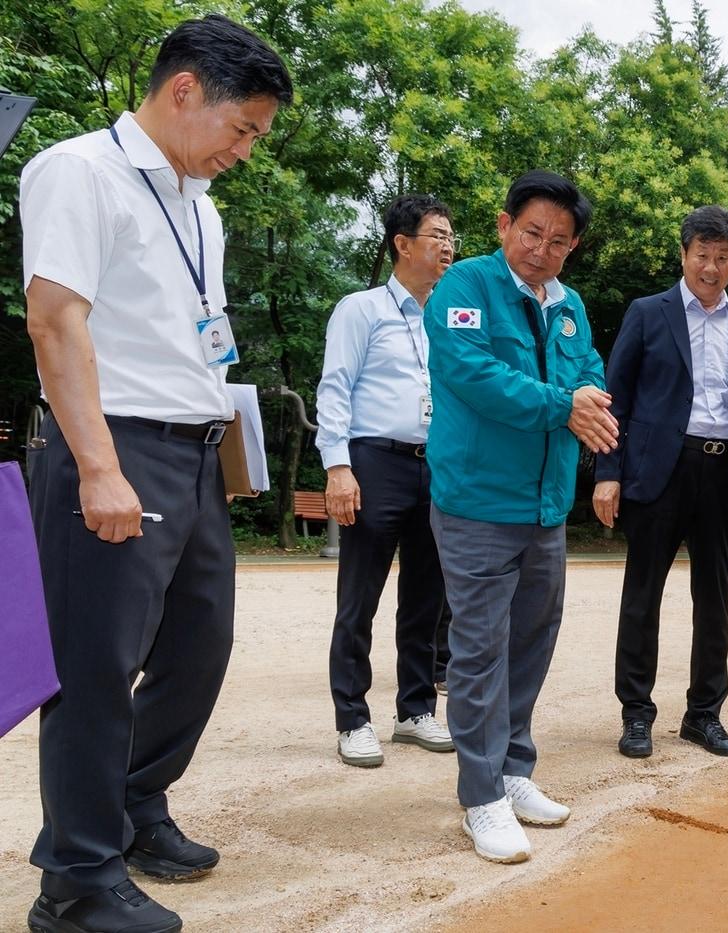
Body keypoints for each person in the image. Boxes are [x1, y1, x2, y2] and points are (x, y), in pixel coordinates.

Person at [20, 15, 291, 933]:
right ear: (185, 92)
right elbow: (57, 322)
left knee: (198, 647)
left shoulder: (198, 205)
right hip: (113, 444)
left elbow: (197, 339)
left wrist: (228, 448)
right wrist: (98, 466)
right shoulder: (78, 172)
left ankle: (134, 807)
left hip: (193, 452)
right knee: (97, 665)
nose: (247, 150)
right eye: (243, 128)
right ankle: (76, 879)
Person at [423, 170, 615, 864]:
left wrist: (584, 396)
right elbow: (473, 375)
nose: (542, 249)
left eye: (559, 240)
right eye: (532, 232)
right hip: (476, 500)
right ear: (505, 225)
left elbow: (590, 371)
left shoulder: (571, 307)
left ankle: (512, 768)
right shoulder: (466, 287)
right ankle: (480, 795)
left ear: (573, 248)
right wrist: (564, 405)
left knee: (531, 640)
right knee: (479, 649)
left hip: (546, 505)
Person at [593, 206, 728, 760]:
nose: (712, 267)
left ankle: (704, 715)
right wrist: (608, 472)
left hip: (724, 474)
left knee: (715, 599)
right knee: (642, 595)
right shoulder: (649, 313)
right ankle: (637, 714)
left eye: (723, 259)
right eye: (703, 255)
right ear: (684, 254)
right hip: (658, 472)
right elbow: (612, 398)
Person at [316, 194, 456, 767]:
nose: (448, 247)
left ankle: (415, 710)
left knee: (427, 598)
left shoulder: (452, 314)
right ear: (402, 244)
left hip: (438, 463)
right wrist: (338, 465)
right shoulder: (362, 308)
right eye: (437, 236)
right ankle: (352, 718)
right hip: (375, 460)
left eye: (452, 238)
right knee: (360, 597)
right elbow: (334, 388)